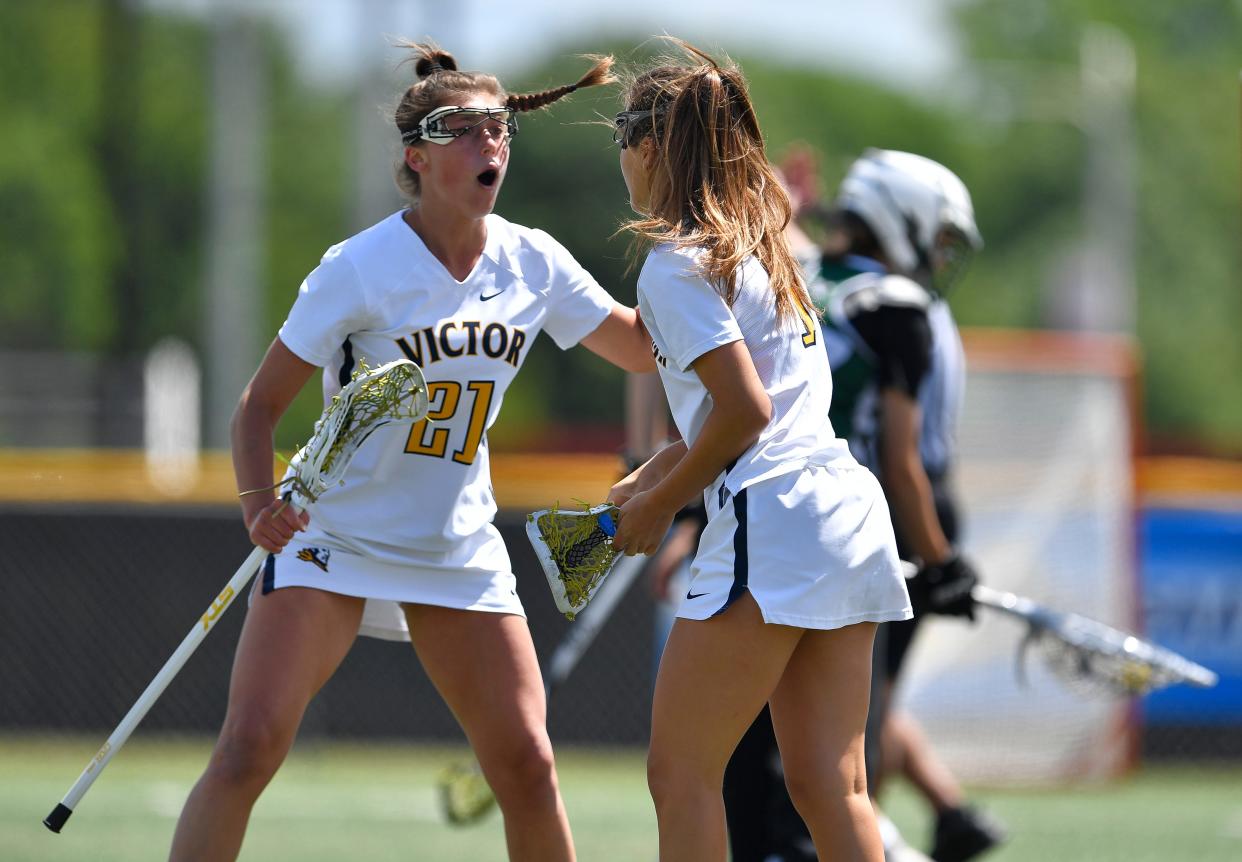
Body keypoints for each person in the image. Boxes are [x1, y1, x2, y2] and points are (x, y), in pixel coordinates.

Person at [168, 42, 654, 862]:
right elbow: (258, 409)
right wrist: (258, 506)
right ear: (417, 158)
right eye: (464, 131)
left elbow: (643, 348)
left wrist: (707, 257)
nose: (489, 145)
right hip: (335, 537)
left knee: (529, 767)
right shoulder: (358, 268)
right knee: (250, 745)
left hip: (454, 545)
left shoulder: (533, 260)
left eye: (499, 129)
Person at [606, 40, 912, 861]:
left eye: (620, 137)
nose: (621, 160)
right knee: (831, 784)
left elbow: (746, 410)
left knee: (680, 774)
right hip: (845, 507)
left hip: (773, 517)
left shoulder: (674, 264)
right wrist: (661, 472)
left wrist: (665, 504)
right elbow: (766, 409)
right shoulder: (767, 246)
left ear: (650, 144)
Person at [722, 148, 1007, 862]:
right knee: (845, 740)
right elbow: (904, 461)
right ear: (902, 222)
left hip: (753, 507)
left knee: (748, 738)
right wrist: (942, 562)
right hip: (852, 525)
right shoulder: (898, 308)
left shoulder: (797, 275)